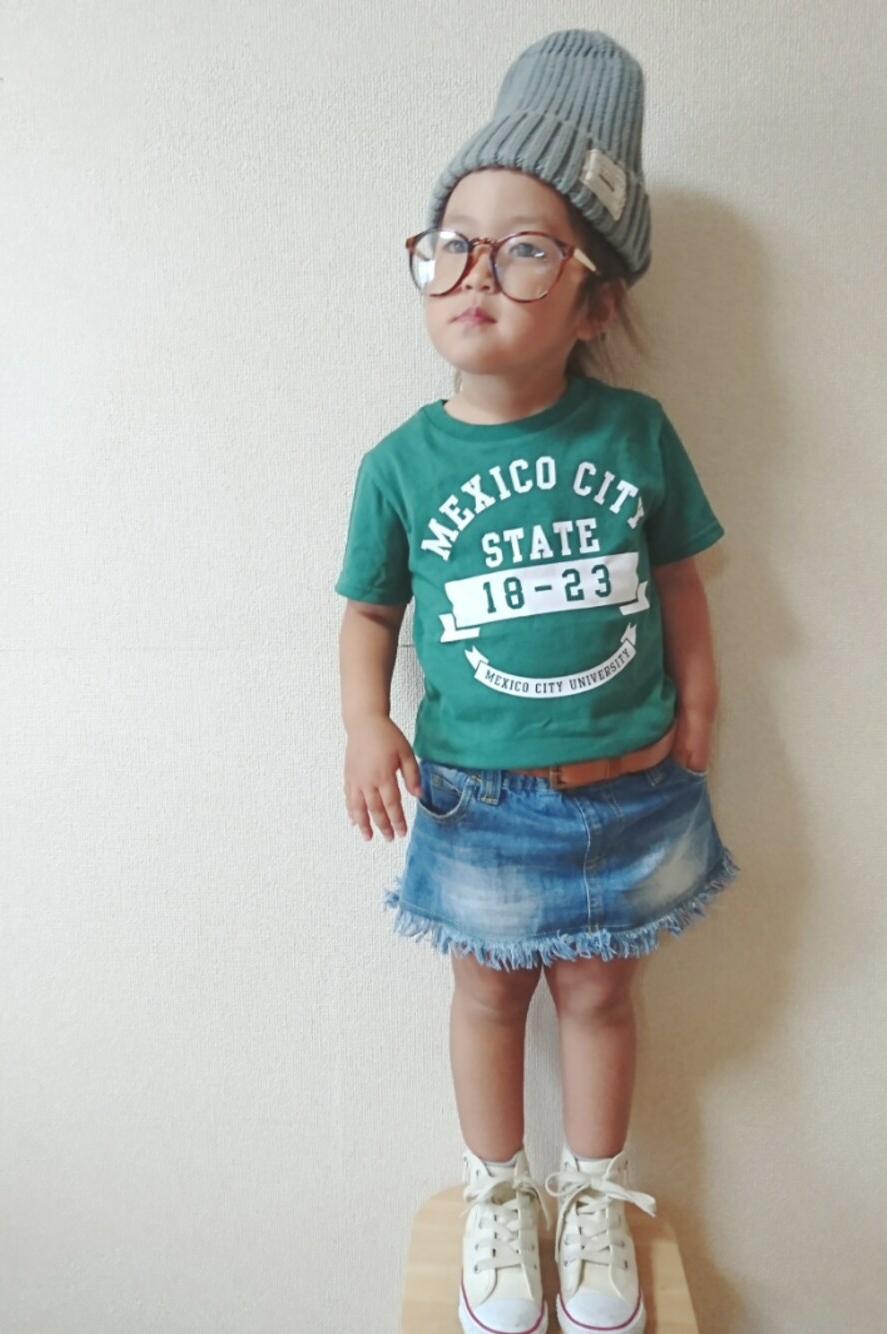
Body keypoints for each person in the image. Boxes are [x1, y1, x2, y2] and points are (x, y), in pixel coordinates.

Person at [335, 29, 740, 1334]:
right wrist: (365, 723)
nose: (475, 273)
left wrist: (701, 696)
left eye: (523, 249)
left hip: (631, 790)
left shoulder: (635, 432)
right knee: (487, 991)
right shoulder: (401, 465)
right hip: (480, 798)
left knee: (603, 993)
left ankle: (596, 1194)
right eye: (451, 244)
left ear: (594, 301)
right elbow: (370, 611)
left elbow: (680, 577)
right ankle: (500, 1191)